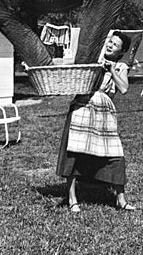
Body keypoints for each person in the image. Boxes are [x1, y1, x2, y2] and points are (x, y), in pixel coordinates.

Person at [56, 31, 136, 213]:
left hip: (104, 113)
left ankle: (121, 200)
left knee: (115, 155)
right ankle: (72, 199)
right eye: (110, 41)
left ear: (121, 51)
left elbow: (123, 88)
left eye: (115, 45)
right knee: (75, 153)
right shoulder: (93, 59)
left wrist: (111, 70)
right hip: (82, 109)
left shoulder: (121, 67)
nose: (110, 45)